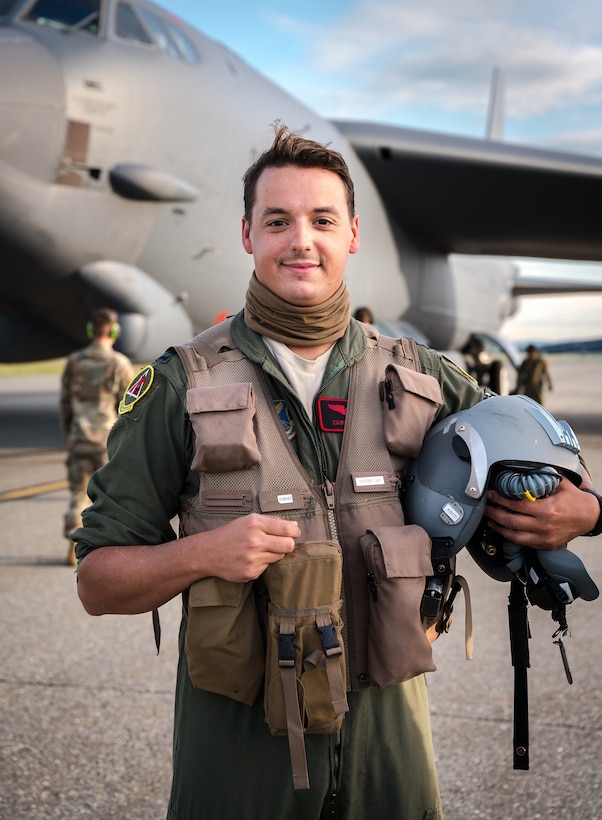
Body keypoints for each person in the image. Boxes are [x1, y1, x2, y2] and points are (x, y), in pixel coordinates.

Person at [73, 126, 602, 820]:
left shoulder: (422, 375)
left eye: (322, 220)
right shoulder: (178, 385)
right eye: (278, 221)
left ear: (352, 233)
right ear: (247, 234)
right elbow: (97, 580)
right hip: (237, 747)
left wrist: (586, 511)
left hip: (389, 740)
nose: (301, 240)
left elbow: (553, 471)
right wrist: (203, 553)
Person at [60, 307, 134, 566]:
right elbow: (131, 405)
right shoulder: (119, 363)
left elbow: (65, 404)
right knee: (109, 495)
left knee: (79, 492)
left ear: (91, 331)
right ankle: (107, 549)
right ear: (114, 331)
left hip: (79, 437)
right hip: (108, 440)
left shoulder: (74, 362)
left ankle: (75, 539)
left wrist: (70, 430)